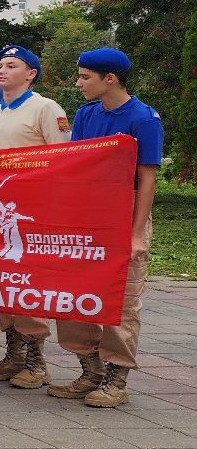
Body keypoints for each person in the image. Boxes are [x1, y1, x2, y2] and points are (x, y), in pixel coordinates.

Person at [52, 47, 159, 407]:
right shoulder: (86, 114)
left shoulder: (143, 118)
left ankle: (117, 378)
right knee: (72, 292)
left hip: (124, 213)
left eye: (85, 77)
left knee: (120, 300)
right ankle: (90, 369)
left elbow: (147, 179)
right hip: (89, 214)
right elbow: (76, 166)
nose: (79, 83)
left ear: (109, 79)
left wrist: (135, 233)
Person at [0, 43, 70, 389]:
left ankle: (36, 361)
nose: (2, 71)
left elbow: (61, 158)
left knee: (29, 284)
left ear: (30, 73)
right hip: (3, 209)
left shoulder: (45, 108)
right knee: (5, 284)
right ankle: (13, 354)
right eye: (0, 65)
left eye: (12, 65)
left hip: (33, 207)